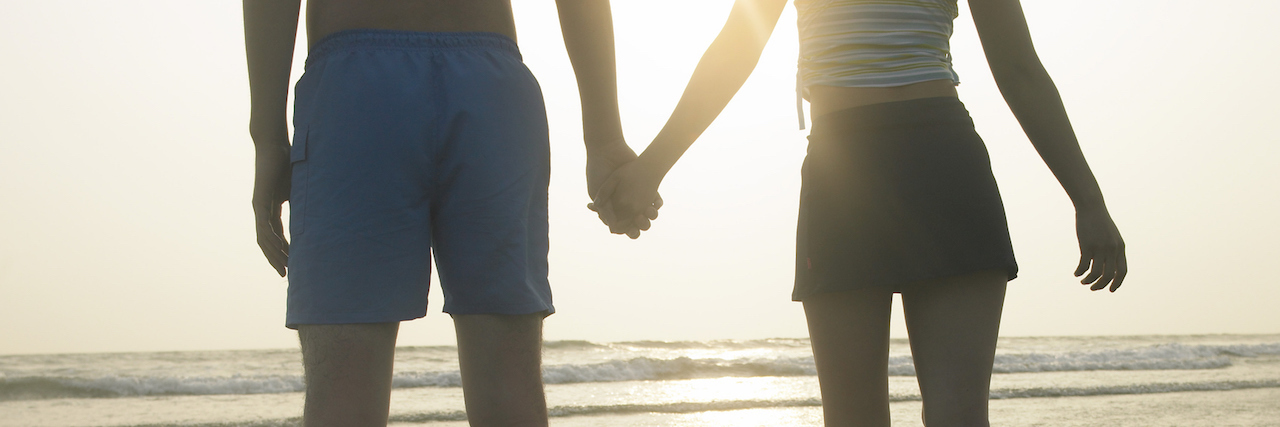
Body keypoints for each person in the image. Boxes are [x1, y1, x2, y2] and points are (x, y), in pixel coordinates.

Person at [593, 0, 1127, 425]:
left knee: (946, 417)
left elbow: (1019, 69)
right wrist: (650, 168)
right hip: (878, 169)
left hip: (916, 165)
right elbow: (736, 50)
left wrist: (1090, 200)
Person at [243, 1, 655, 426]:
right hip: (489, 87)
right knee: (509, 390)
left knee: (343, 396)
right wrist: (603, 136)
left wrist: (269, 138)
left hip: (357, 90)